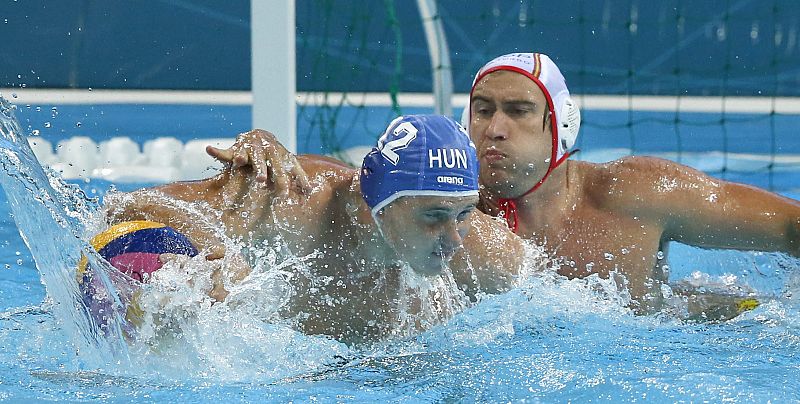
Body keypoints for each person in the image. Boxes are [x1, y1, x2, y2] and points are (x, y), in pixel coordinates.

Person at [211, 52, 800, 316]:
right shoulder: (445, 201)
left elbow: (789, 227)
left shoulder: (633, 195)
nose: (493, 129)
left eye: (518, 111)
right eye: (482, 109)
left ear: (560, 126)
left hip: (667, 330)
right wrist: (271, 151)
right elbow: (351, 185)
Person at [105, 114, 526, 344]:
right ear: (377, 202)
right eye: (433, 217)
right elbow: (126, 205)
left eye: (465, 214)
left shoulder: (487, 251)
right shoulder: (291, 204)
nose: (454, 239)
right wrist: (217, 249)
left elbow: (554, 300)